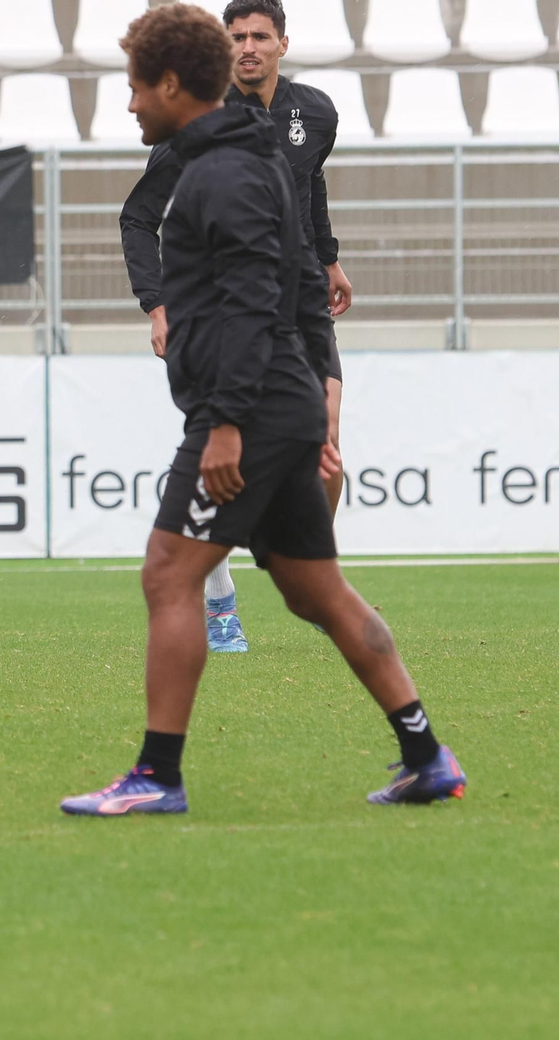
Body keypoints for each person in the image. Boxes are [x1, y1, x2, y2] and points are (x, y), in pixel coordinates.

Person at [61, 3, 465, 816]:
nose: (130, 103)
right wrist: (316, 400)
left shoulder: (225, 173)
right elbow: (307, 286)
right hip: (281, 405)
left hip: (249, 413)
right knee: (318, 593)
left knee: (168, 573)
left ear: (171, 84)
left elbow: (252, 302)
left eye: (136, 87)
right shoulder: (249, 155)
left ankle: (157, 776)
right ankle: (427, 756)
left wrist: (227, 423)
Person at [119, 0, 350, 654]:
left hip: (298, 302)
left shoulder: (316, 113)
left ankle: (311, 575)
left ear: (282, 44)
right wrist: (158, 305)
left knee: (328, 454)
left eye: (259, 36)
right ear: (223, 48)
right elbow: (138, 217)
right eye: (237, 36)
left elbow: (310, 186)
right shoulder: (199, 121)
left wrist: (329, 259)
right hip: (224, 311)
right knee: (219, 453)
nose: (248, 47)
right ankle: (221, 603)